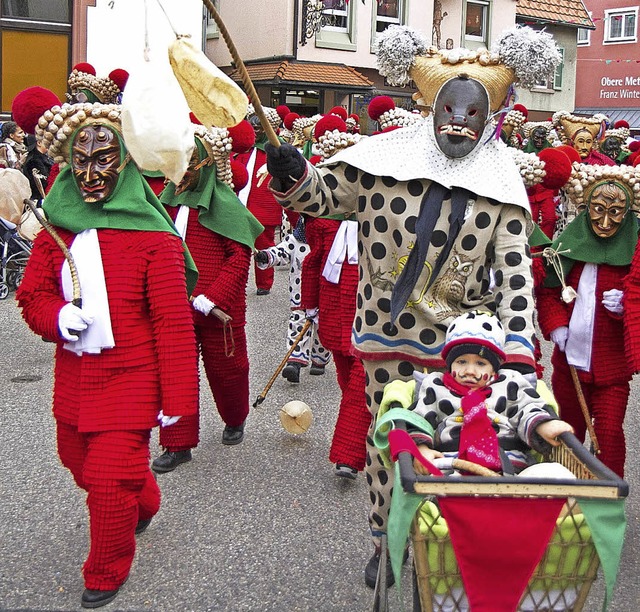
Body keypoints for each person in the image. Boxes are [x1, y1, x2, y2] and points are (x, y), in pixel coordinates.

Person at [266, 24, 558, 586]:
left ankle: (447, 542)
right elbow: (323, 198)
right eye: (450, 108)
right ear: (431, 108)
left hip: (463, 350)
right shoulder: (381, 160)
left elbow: (517, 278)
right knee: (391, 445)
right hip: (387, 339)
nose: (458, 122)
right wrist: (294, 173)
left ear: (489, 118)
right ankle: (387, 537)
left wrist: (519, 356)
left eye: (472, 115)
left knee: (459, 449)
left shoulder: (502, 183)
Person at [16, 101, 199, 609]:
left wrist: (176, 401)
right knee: (77, 461)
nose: (91, 173)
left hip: (133, 379)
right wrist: (55, 317)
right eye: (81, 160)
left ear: (126, 161)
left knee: (106, 479)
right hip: (76, 380)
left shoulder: (155, 238)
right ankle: (141, 495)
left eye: (104, 159)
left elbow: (173, 324)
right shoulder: (57, 228)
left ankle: (105, 569)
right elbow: (31, 297)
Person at [151, 122, 263, 473]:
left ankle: (234, 417)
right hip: (175, 305)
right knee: (177, 374)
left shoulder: (226, 205)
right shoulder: (164, 203)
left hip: (218, 309)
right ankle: (177, 442)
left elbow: (239, 257)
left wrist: (213, 297)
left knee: (228, 369)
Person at [537, 163, 640, 478]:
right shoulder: (570, 247)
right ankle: (565, 494)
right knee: (566, 433)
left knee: (608, 434)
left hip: (611, 370)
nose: (606, 222)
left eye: (615, 214)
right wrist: (556, 325)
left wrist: (626, 306)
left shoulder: (632, 255)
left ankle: (606, 499)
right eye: (598, 211)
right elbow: (549, 292)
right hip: (569, 365)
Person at [404, 311, 573, 474]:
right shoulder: (435, 386)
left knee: (556, 473)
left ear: (494, 368)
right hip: (452, 465)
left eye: (480, 363)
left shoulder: (510, 383)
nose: (470, 370)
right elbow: (418, 420)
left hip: (511, 465)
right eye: (461, 361)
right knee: (432, 486)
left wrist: (543, 425)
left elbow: (527, 408)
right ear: (450, 364)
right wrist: (421, 449)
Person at [255, 216, 331, 384]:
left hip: (325, 296)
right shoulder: (296, 241)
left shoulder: (330, 242)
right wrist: (266, 256)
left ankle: (320, 357)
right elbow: (280, 251)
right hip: (301, 296)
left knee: (323, 328)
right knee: (298, 322)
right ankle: (294, 361)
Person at [235, 109, 296, 295]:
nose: (255, 131)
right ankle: (237, 281)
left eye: (259, 128)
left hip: (264, 205)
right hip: (241, 203)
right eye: (253, 127)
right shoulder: (242, 149)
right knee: (238, 248)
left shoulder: (277, 149)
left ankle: (264, 282)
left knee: (264, 244)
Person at [22, 135, 54, 201]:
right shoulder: (33, 161)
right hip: (41, 198)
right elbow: (43, 183)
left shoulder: (44, 157)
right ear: (39, 143)